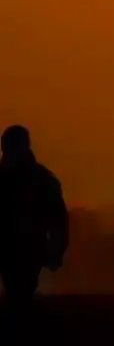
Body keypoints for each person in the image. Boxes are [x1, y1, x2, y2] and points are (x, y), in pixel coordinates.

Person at [0, 124, 68, 307]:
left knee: (20, 294)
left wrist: (55, 251)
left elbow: (58, 221)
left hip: (29, 250)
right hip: (17, 249)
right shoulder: (43, 179)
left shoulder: (42, 181)